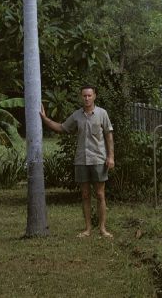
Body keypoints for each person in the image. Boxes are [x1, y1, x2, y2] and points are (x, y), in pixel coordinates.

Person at [40, 85, 115, 238]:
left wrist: (111, 157)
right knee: (85, 195)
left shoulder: (102, 114)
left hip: (98, 159)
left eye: (89, 95)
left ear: (94, 96)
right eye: (84, 96)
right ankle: (87, 229)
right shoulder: (76, 116)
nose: (87, 98)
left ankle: (102, 229)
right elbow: (62, 128)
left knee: (100, 195)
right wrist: (44, 119)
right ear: (81, 97)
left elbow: (109, 136)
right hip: (81, 160)